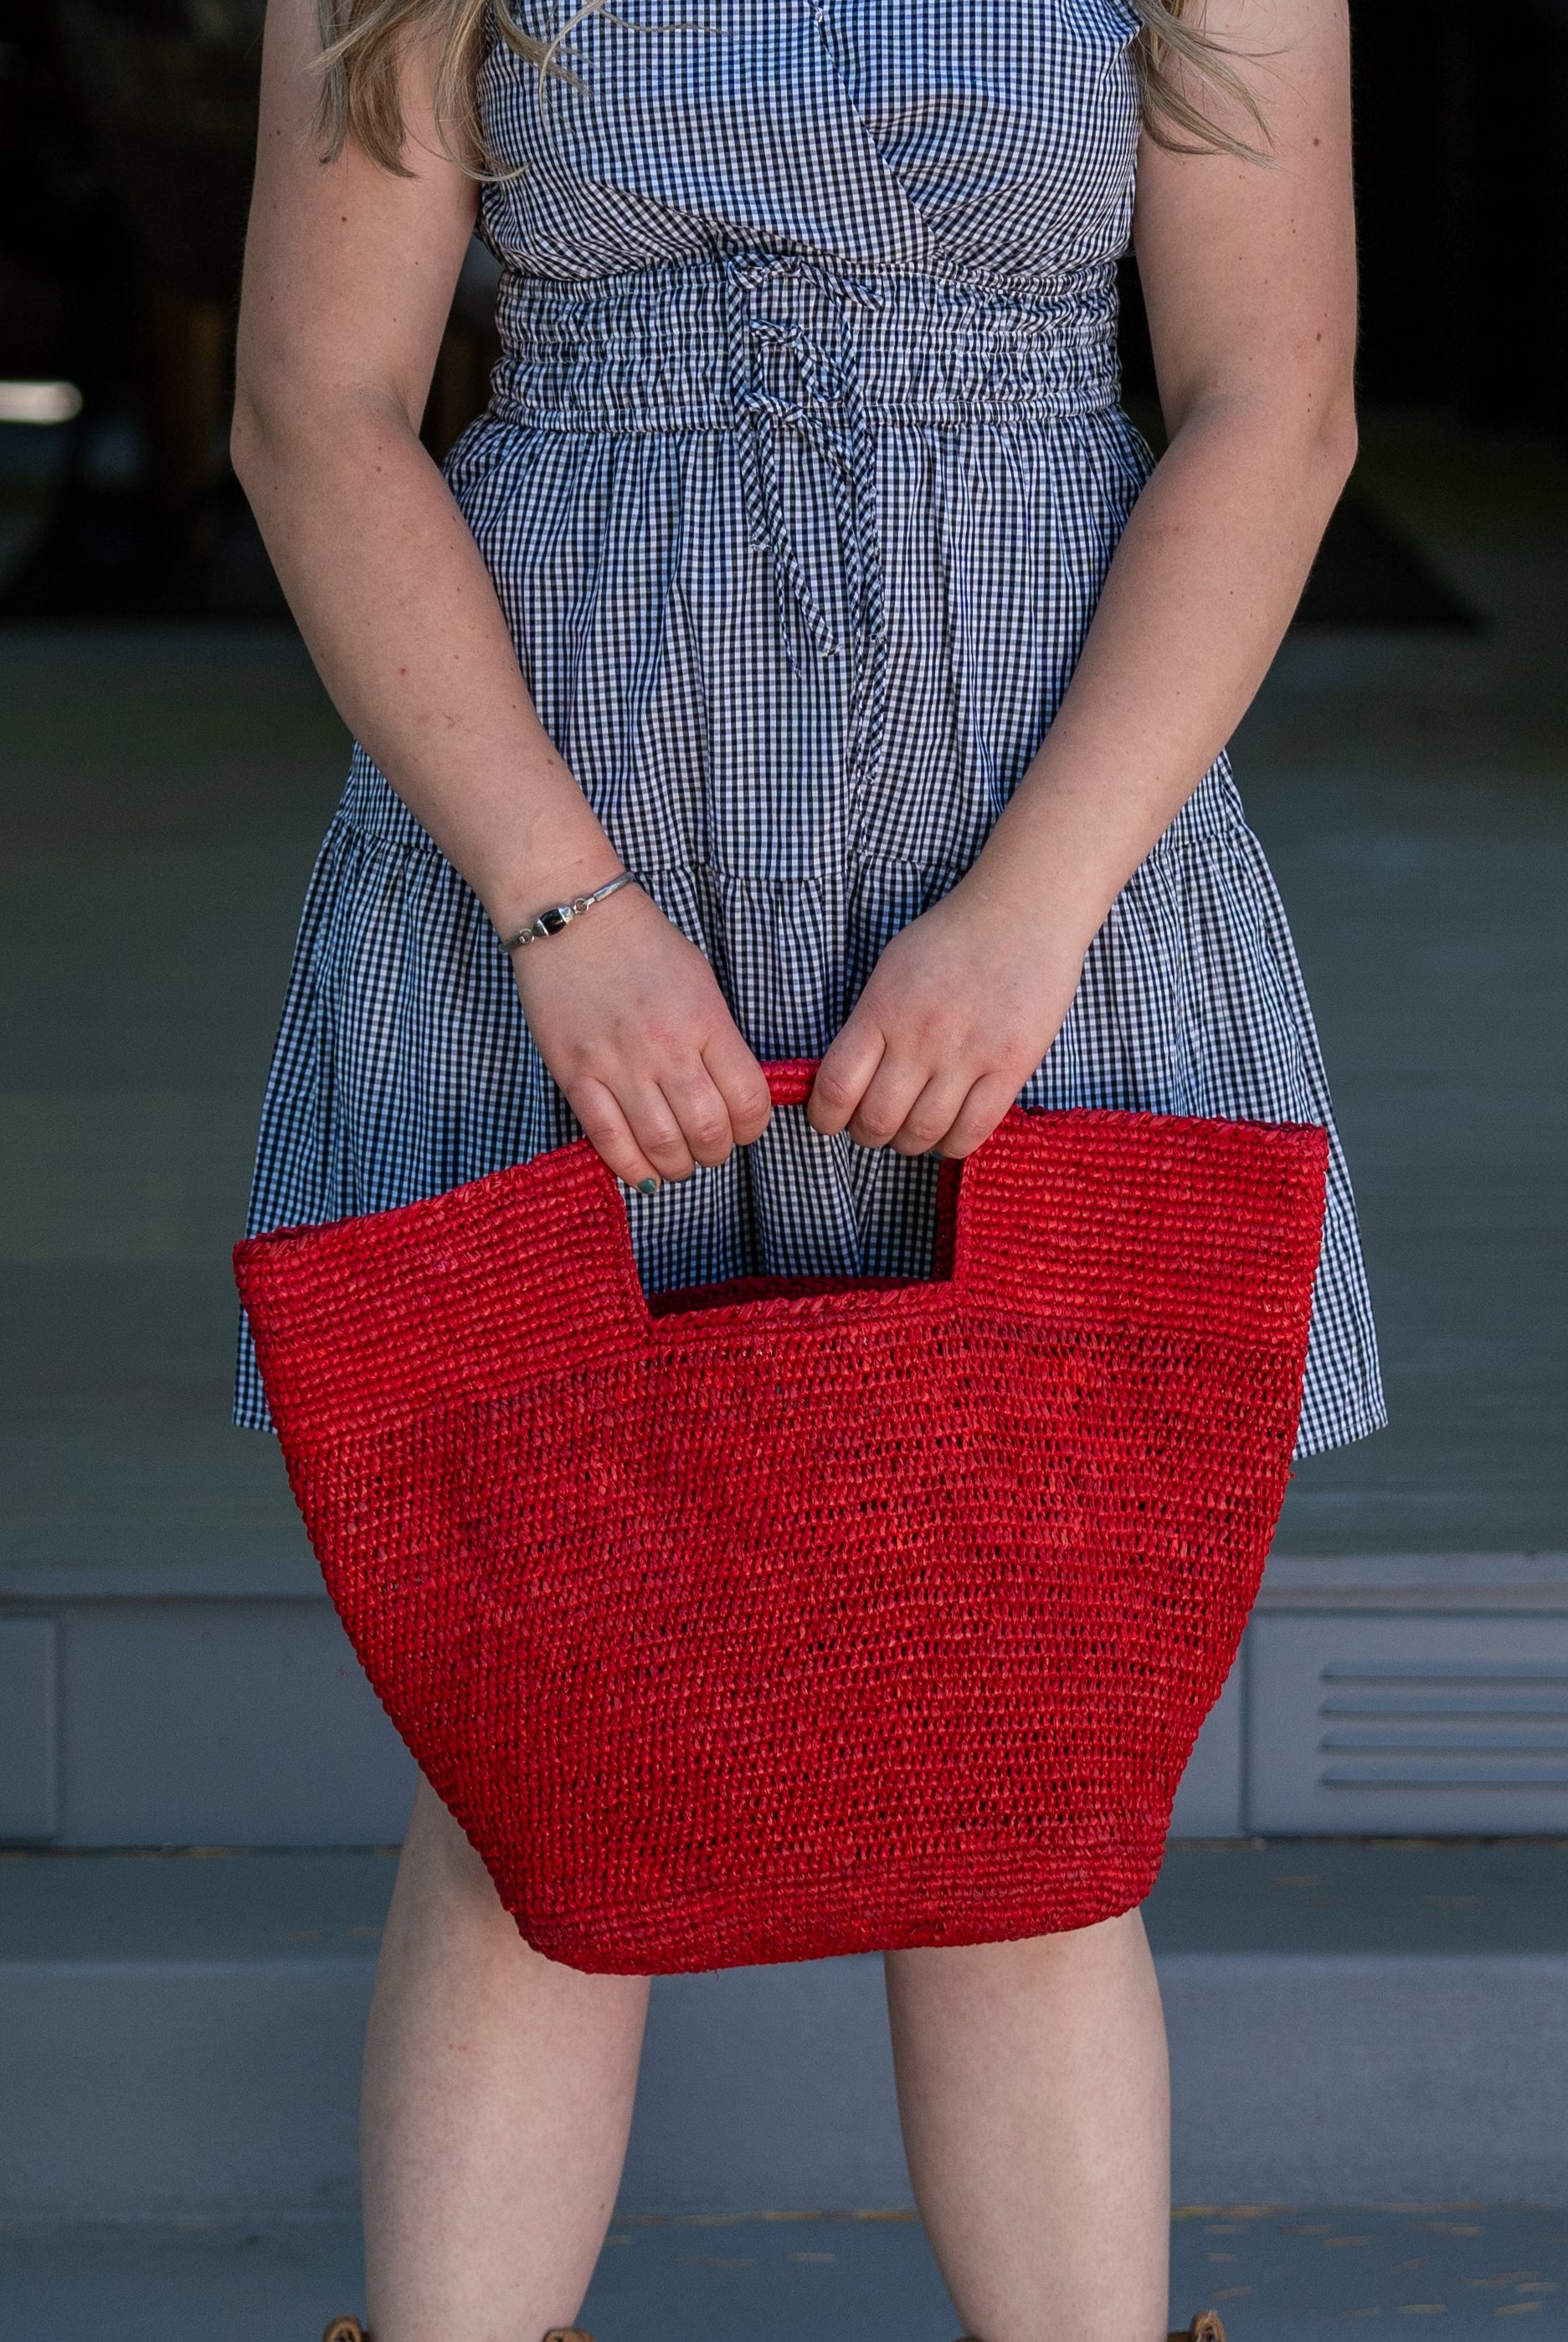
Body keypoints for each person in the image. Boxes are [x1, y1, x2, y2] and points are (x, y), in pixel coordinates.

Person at [231, 1, 1380, 2336]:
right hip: (548, 828)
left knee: (1034, 1709)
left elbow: (1277, 407)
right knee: (524, 1711)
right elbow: (310, 407)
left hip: (1037, 831)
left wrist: (1035, 909)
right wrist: (557, 909)